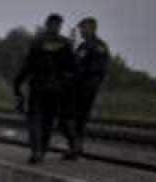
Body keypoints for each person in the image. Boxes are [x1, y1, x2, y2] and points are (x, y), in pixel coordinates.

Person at [14, 13, 78, 163]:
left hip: (39, 88)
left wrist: (17, 83)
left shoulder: (37, 42)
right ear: (58, 25)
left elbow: (27, 66)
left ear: (47, 24)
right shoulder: (66, 44)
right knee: (48, 122)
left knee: (35, 120)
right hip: (57, 89)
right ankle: (42, 150)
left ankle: (37, 151)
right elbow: (73, 69)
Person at [71, 17, 110, 156]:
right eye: (80, 28)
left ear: (92, 28)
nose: (81, 30)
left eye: (83, 27)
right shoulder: (82, 46)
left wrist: (93, 85)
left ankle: (76, 147)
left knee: (79, 118)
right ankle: (75, 146)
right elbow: (74, 64)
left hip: (87, 87)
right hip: (77, 87)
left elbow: (100, 69)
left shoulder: (99, 46)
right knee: (75, 118)